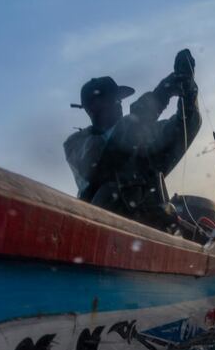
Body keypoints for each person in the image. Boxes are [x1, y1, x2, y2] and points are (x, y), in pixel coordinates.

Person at [63, 49, 201, 231]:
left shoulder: (141, 131)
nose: (120, 105)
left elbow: (183, 128)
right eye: (115, 100)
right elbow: (104, 162)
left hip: (151, 235)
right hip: (103, 234)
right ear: (93, 107)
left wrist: (189, 97)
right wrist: (158, 98)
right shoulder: (76, 144)